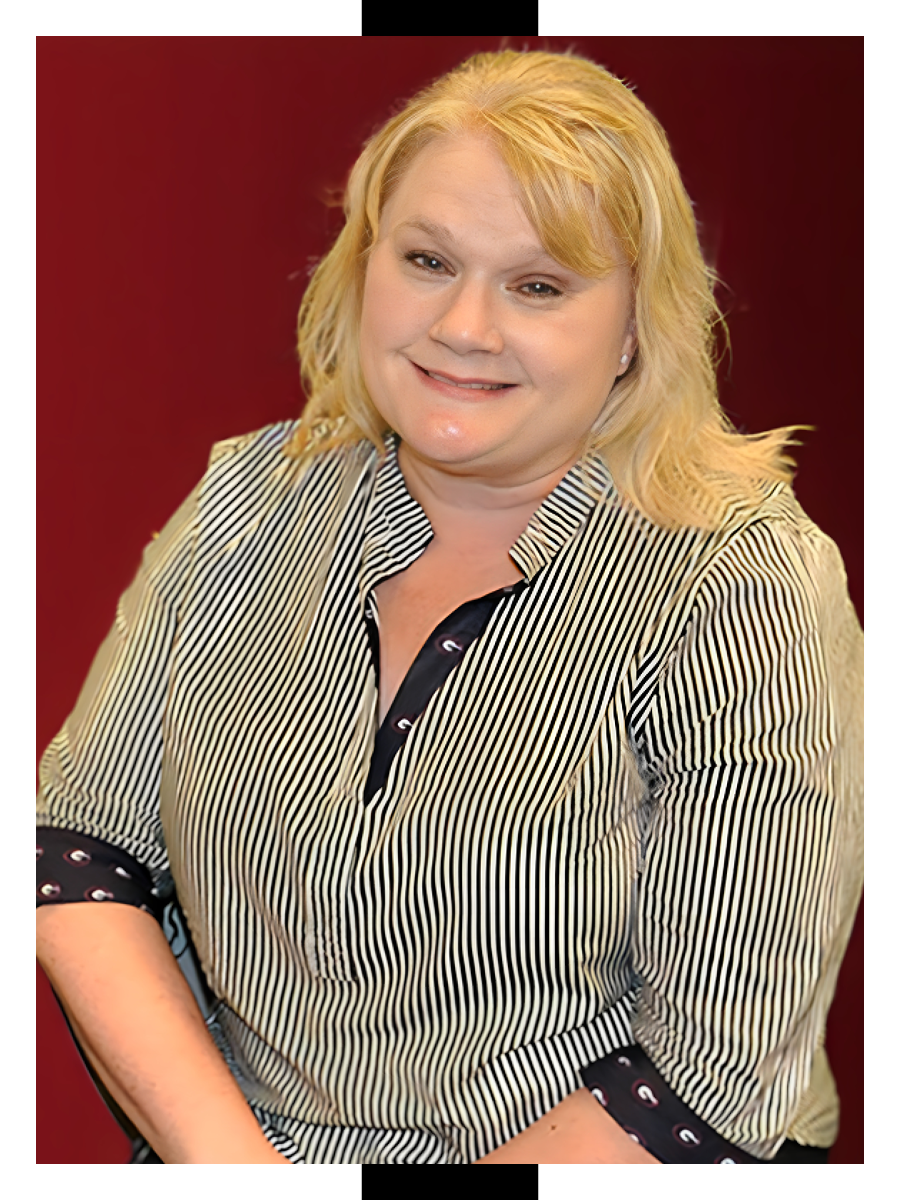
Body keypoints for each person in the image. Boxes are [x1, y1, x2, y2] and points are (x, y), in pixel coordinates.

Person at [36, 48, 863, 1165]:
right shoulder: (245, 499)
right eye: (428, 260)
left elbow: (706, 1077)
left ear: (633, 328)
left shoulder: (744, 582)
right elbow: (79, 855)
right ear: (362, 270)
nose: (465, 327)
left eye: (538, 285)